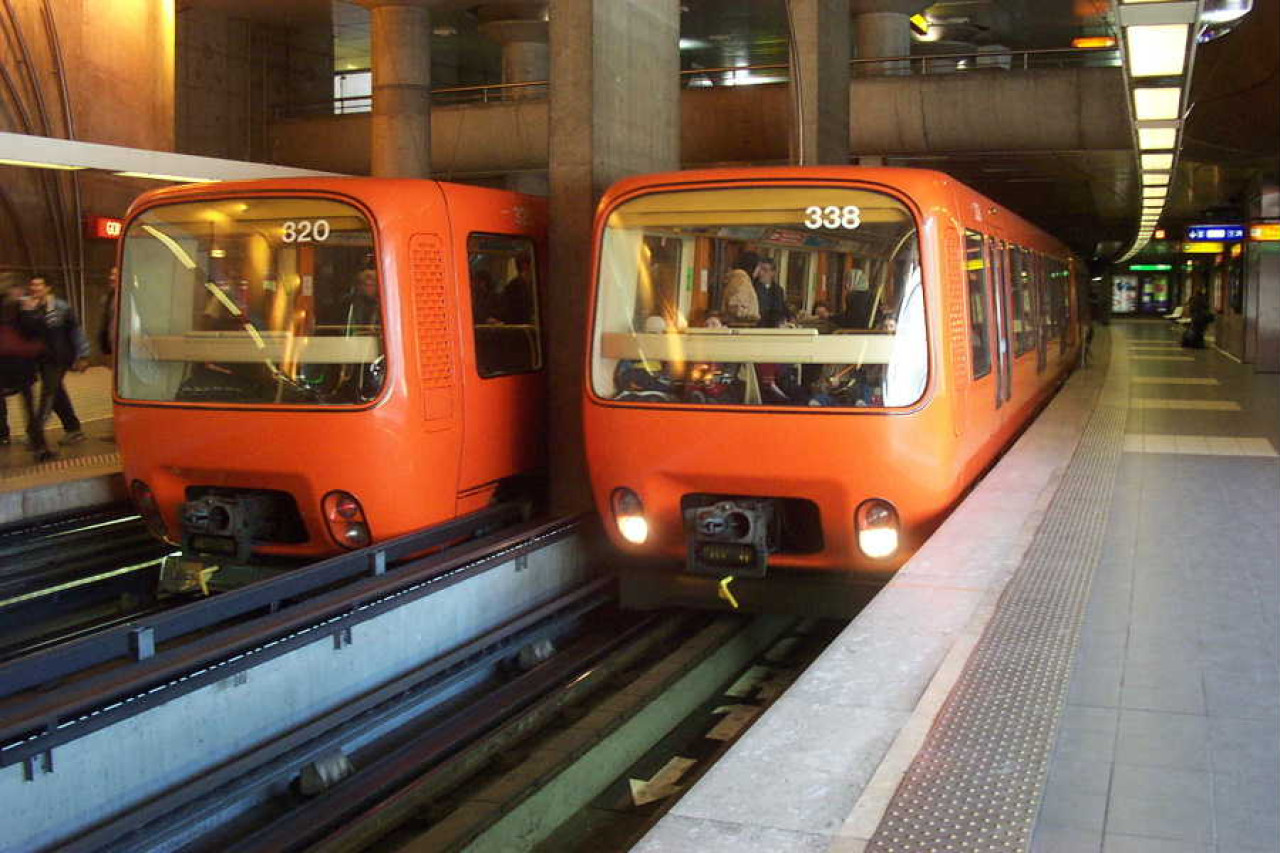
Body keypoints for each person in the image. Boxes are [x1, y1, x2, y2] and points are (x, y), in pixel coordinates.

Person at [23, 276, 90, 460]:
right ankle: (73, 429)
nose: (34, 288)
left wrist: (83, 354)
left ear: (48, 288)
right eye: (32, 285)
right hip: (43, 359)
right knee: (57, 393)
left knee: (48, 395)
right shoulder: (32, 308)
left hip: (59, 358)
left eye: (38, 285)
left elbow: (76, 331)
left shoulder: (61, 308)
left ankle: (35, 433)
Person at [0, 280, 43, 446]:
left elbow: (33, 330)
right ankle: (6, 434)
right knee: (22, 400)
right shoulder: (13, 307)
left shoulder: (24, 307)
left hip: (20, 361)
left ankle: (30, 435)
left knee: (27, 401)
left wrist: (29, 311)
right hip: (12, 361)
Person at [721, 251, 761, 326]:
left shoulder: (738, 279)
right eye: (758, 267)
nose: (759, 271)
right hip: (740, 326)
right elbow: (737, 308)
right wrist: (752, 315)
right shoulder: (741, 280)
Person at [754, 257, 788, 328]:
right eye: (760, 270)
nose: (761, 273)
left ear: (773, 273)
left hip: (773, 328)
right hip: (756, 327)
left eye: (765, 270)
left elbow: (782, 308)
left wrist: (790, 317)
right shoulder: (753, 287)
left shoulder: (778, 290)